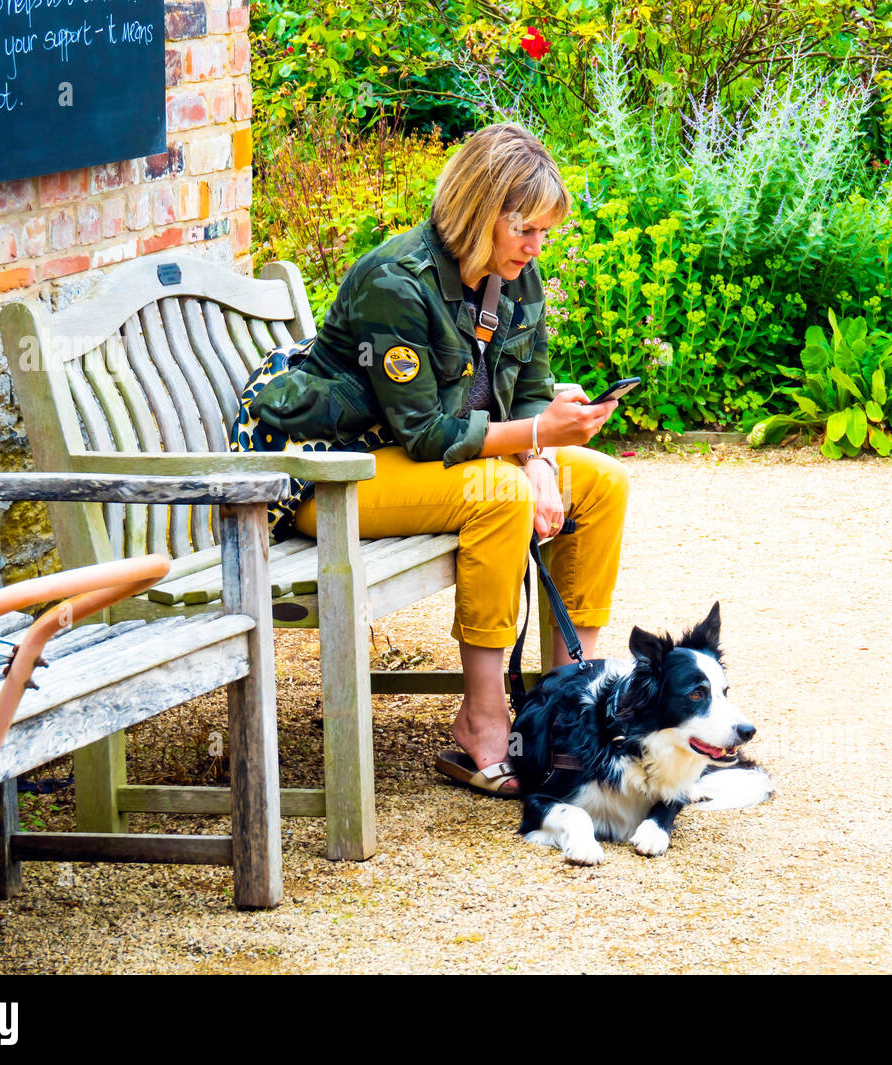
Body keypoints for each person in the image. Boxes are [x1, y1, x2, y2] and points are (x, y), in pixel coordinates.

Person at [255, 123, 629, 796]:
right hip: (331, 472)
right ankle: (482, 720)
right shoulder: (396, 282)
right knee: (498, 493)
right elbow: (426, 431)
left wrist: (542, 454)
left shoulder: (514, 274)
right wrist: (534, 440)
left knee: (602, 483)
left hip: (415, 461)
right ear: (484, 212)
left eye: (544, 233)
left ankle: (571, 707)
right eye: (526, 230)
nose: (537, 247)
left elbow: (533, 389)